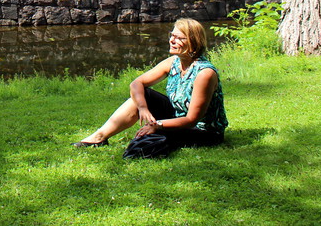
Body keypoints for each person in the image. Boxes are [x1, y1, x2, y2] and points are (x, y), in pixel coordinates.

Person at [72, 18, 227, 158]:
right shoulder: (173, 62)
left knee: (147, 142)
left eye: (179, 38)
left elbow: (191, 120)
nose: (172, 41)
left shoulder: (204, 73)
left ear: (193, 42)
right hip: (177, 116)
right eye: (172, 36)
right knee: (143, 94)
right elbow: (136, 83)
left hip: (202, 131)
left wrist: (157, 125)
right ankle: (99, 137)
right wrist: (143, 108)